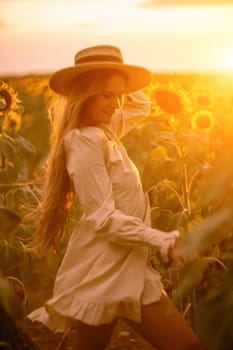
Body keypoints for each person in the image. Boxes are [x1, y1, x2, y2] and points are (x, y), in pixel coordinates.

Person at [28, 45, 201, 350]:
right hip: (106, 268)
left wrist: (119, 75)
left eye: (119, 95)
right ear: (85, 95)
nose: (116, 104)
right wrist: (161, 239)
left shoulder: (105, 130)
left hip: (127, 264)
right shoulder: (84, 141)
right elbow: (102, 218)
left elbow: (142, 104)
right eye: (106, 95)